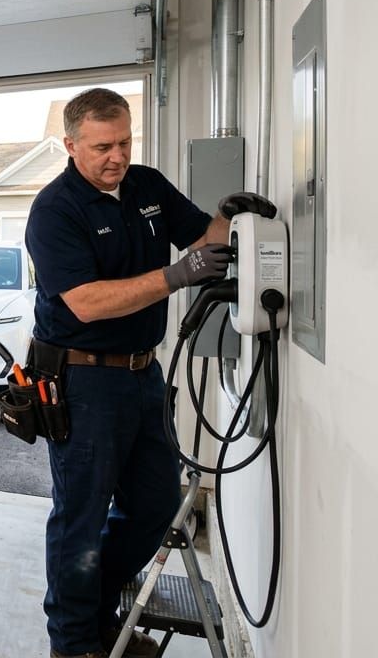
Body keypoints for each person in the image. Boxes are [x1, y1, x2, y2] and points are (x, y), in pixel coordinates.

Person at [23, 88, 274, 657]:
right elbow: (85, 302)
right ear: (70, 145)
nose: (117, 156)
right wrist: (177, 275)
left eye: (125, 142)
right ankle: (73, 643)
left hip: (143, 376)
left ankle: (99, 613)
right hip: (81, 382)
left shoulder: (147, 186)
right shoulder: (55, 209)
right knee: (80, 517)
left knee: (156, 505)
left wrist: (229, 222)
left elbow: (202, 238)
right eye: (102, 146)